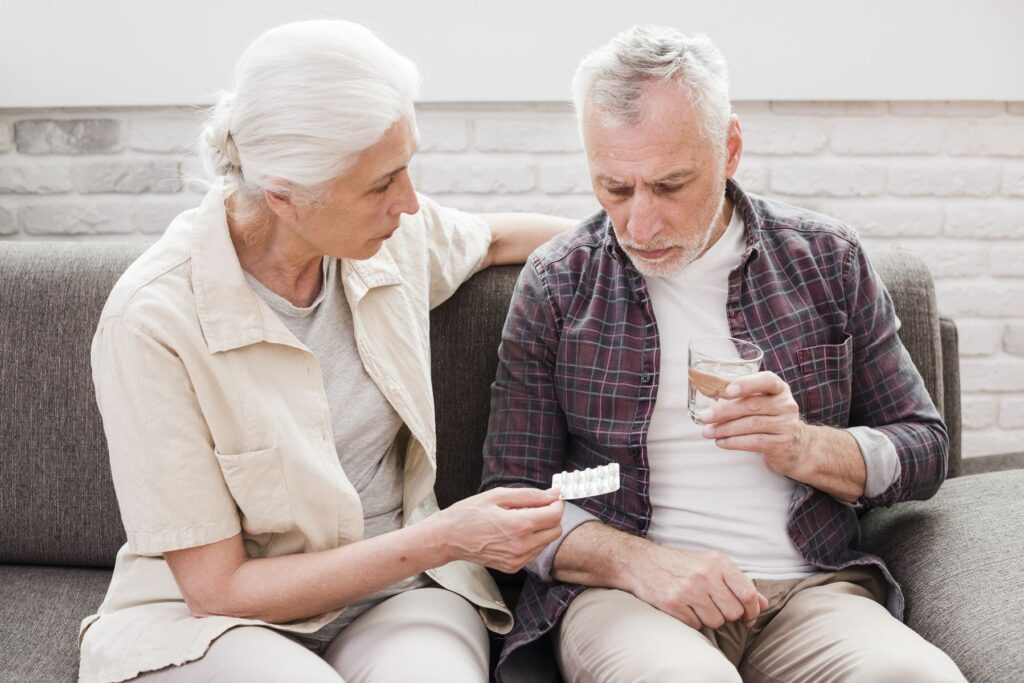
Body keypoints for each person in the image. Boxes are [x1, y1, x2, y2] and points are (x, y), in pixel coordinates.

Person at [79, 19, 571, 683]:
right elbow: (218, 588)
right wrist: (446, 535)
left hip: (393, 595)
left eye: (406, 167)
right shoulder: (153, 321)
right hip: (215, 623)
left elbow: (492, 241)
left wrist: (641, 240)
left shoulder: (390, 238)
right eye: (380, 184)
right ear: (284, 196)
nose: (408, 202)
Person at [482, 25, 967, 683]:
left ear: (730, 148)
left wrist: (802, 446)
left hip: (810, 590)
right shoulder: (559, 282)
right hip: (632, 598)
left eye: (670, 185)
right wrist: (639, 563)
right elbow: (511, 498)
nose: (640, 225)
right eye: (615, 188)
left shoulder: (827, 260)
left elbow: (924, 448)